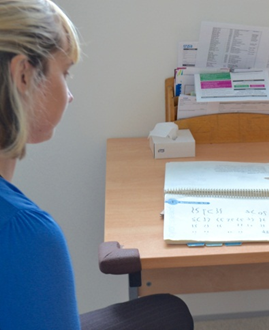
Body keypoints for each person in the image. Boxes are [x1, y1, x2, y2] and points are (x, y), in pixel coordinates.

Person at [0, 1, 193, 329]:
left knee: (166, 313)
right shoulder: (26, 234)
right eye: (64, 72)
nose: (70, 94)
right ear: (23, 75)